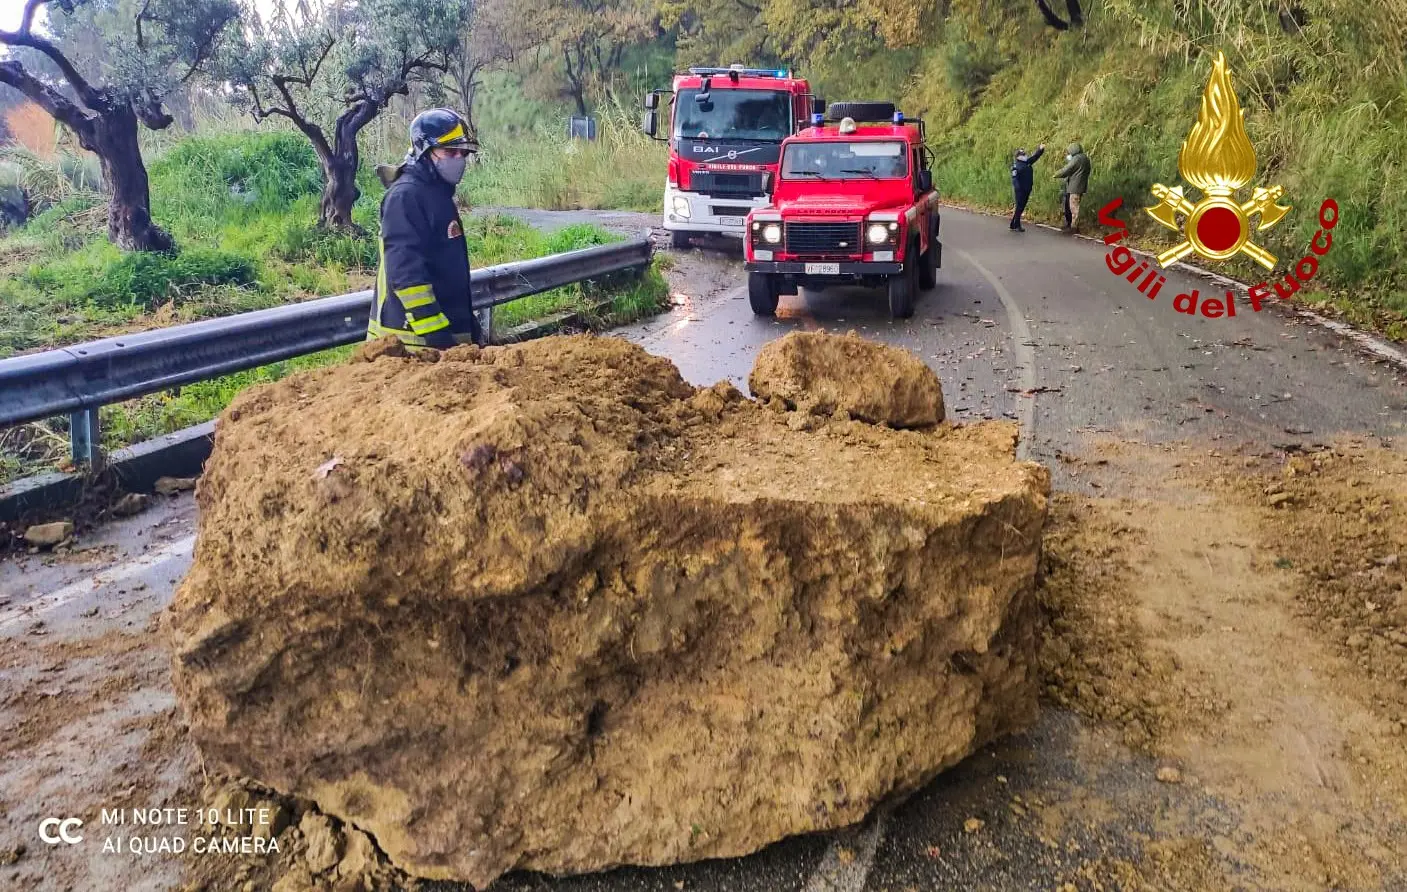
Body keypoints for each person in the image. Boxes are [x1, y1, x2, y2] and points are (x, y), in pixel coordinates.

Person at [366, 108, 484, 351]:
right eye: (450, 152)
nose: (458, 159)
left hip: (444, 343)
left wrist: (467, 326)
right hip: (410, 347)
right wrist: (438, 337)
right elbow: (406, 276)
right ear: (425, 151)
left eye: (462, 153)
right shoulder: (405, 196)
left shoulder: (436, 193)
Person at [1053, 141, 1091, 233]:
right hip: (1080, 185)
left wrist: (1056, 174)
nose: (1068, 154)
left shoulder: (1076, 159)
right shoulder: (1085, 158)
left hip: (1075, 187)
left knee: (1073, 207)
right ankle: (1070, 225)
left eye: (1069, 152)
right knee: (1071, 206)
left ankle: (1074, 227)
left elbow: (1067, 169)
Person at [1009, 143, 1045, 231]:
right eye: (1022, 154)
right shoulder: (1016, 166)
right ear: (1017, 156)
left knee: (1021, 207)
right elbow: (1015, 179)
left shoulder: (1027, 162)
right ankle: (1017, 225)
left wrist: (1040, 149)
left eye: (1024, 154)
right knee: (1019, 206)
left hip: (1027, 188)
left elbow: (1035, 157)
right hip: (1020, 190)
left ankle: (1013, 224)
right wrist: (1018, 189)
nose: (1024, 155)